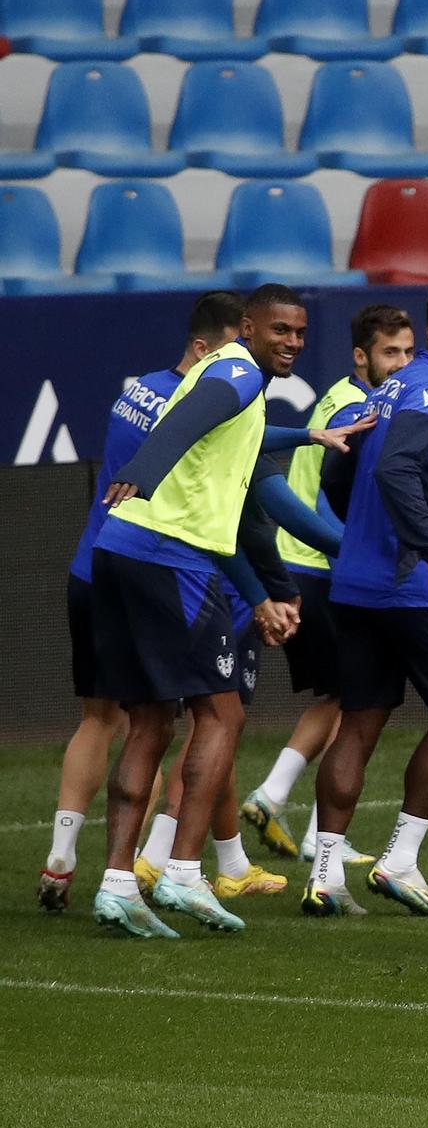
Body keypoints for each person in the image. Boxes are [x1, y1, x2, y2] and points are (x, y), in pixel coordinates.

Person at [88, 283, 367, 937]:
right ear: (247, 327)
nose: (292, 342)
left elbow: (242, 470)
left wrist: (309, 434)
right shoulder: (239, 370)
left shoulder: (230, 377)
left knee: (149, 721)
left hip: (120, 549)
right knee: (222, 711)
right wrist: (148, 466)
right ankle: (186, 872)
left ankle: (117, 882)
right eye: (279, 330)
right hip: (169, 557)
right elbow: (195, 421)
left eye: (300, 332)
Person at [42, 290, 243, 914]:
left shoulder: (136, 390)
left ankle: (62, 859)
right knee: (158, 721)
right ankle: (155, 865)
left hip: (90, 564)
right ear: (205, 348)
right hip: (152, 564)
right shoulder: (206, 400)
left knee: (99, 719)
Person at [302, 286, 428, 918]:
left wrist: (362, 536)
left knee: (359, 720)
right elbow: (395, 469)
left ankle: (325, 876)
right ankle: (400, 861)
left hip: (354, 585)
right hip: (414, 588)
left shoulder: (384, 392)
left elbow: (338, 472)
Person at [240, 304, 416, 869]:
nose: (403, 363)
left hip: (306, 566)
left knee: (342, 698)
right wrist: (361, 557)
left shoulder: (342, 397)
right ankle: (293, 813)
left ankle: (281, 799)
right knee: (358, 700)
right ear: (361, 356)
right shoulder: (358, 406)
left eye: (409, 352)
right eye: (391, 352)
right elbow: (324, 495)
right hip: (320, 569)